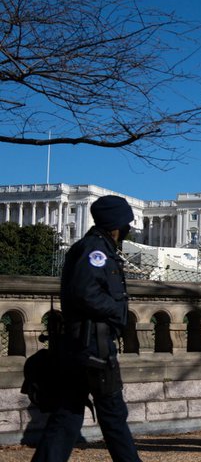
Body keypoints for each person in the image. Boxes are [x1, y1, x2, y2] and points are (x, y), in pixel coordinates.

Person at [32, 195, 142, 462]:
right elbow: (86, 293)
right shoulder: (95, 251)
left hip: (82, 346)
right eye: (126, 223)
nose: (128, 229)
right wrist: (119, 313)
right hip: (93, 347)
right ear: (115, 224)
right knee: (113, 415)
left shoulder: (99, 248)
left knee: (68, 415)